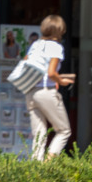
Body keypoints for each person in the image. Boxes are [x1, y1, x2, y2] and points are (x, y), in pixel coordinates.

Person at [26, 14, 75, 161]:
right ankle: (48, 165)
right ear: (60, 30)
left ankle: (36, 168)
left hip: (30, 92)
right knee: (64, 130)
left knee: (39, 133)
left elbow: (26, 63)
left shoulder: (35, 45)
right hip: (46, 92)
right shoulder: (56, 47)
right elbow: (51, 72)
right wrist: (62, 80)